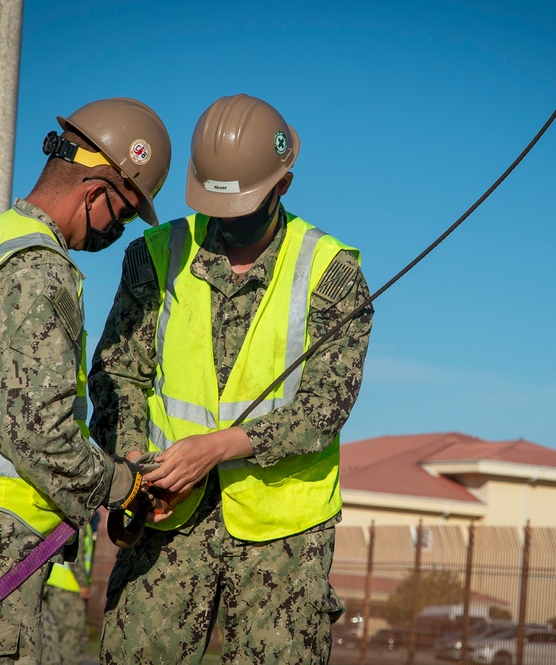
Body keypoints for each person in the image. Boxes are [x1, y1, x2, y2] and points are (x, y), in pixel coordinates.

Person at [89, 93, 374, 664]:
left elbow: (323, 411)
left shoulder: (332, 271)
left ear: (283, 186)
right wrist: (138, 470)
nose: (228, 222)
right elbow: (118, 376)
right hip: (166, 516)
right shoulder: (156, 254)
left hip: (283, 535)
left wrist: (216, 449)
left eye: (245, 206)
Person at [0, 97, 171, 664]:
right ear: (95, 192)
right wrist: (125, 485)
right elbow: (38, 431)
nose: (116, 231)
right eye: (121, 216)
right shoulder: (38, 267)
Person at [41, 512, 99, 665]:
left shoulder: (69, 520)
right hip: (69, 587)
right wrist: (84, 584)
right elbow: (77, 558)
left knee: (55, 635)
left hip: (57, 584)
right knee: (72, 636)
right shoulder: (82, 525)